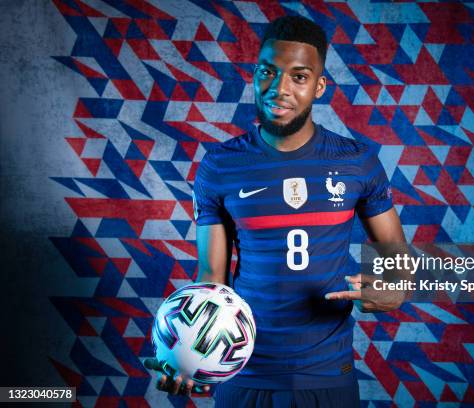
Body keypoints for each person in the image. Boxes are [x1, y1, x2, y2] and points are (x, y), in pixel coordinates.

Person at [146, 15, 406, 407]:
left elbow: (395, 253)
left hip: (328, 373)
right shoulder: (220, 164)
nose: (279, 88)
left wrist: (397, 289)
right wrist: (189, 357)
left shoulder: (357, 161)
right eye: (268, 71)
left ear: (319, 85)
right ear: (255, 74)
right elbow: (211, 278)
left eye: (299, 76)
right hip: (245, 371)